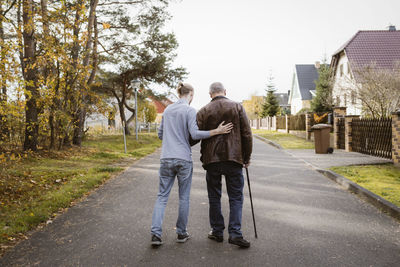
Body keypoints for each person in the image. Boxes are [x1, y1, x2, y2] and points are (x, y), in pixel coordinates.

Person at [150, 82, 233, 246]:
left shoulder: (167, 110)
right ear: (190, 95)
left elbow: (160, 134)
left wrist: (171, 137)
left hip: (166, 158)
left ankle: (156, 234)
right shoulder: (189, 110)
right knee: (184, 197)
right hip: (183, 159)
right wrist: (216, 131)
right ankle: (181, 233)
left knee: (162, 197)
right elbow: (194, 134)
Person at [196, 82, 253, 248]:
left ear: (210, 94)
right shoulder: (237, 107)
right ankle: (235, 233)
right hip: (234, 159)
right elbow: (247, 134)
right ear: (225, 92)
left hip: (211, 160)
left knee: (214, 196)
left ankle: (217, 231)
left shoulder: (203, 111)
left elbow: (194, 137)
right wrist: (246, 157)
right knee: (236, 197)